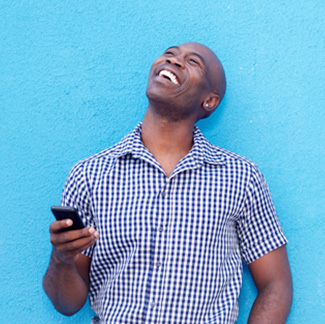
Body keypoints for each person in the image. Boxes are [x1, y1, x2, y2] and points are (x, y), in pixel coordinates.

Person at [43, 42, 292, 324]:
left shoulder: (241, 177)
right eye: (170, 54)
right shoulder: (89, 174)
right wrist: (61, 259)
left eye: (193, 62)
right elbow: (67, 304)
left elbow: (276, 285)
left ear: (209, 101)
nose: (173, 61)